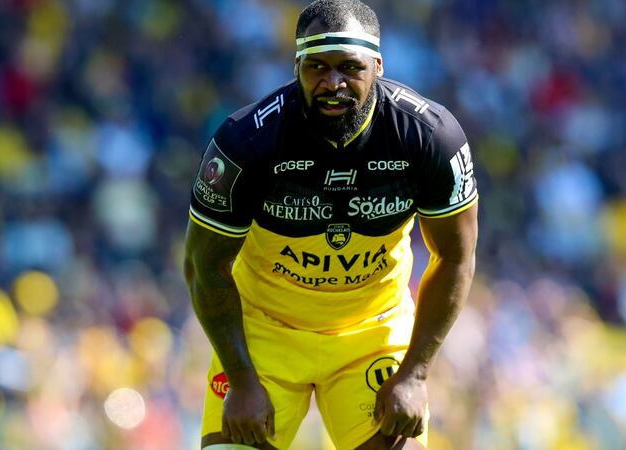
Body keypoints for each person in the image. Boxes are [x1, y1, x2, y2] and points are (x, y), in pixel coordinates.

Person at [183, 0, 478, 448]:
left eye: (349, 68)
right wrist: (242, 379)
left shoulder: (431, 136)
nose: (333, 83)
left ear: (377, 65)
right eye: (316, 67)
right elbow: (203, 266)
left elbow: (456, 256)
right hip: (265, 332)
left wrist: (415, 373)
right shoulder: (245, 142)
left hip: (372, 332)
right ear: (296, 65)